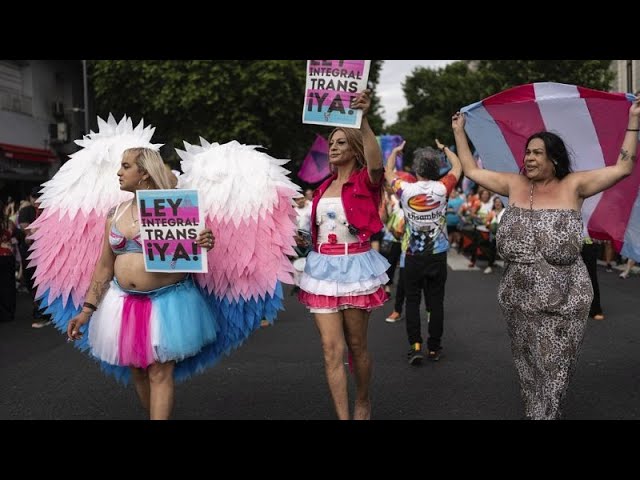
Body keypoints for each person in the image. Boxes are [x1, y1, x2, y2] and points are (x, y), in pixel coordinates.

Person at [451, 97, 640, 419]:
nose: (529, 158)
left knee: (554, 365)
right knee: (529, 365)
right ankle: (535, 411)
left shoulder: (575, 185)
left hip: (566, 298)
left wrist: (633, 119)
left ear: (554, 158)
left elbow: (623, 167)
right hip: (517, 298)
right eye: (527, 152)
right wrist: (459, 131)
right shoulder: (513, 184)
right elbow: (470, 169)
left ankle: (544, 416)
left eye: (537, 152)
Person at [66, 147, 216, 420]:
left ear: (144, 173)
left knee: (159, 371)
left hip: (168, 303)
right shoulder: (115, 213)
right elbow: (104, 266)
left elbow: (192, 248)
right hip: (123, 304)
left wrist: (204, 241)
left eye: (125, 166)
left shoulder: (176, 207)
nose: (118, 172)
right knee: (137, 369)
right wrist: (87, 310)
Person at [297, 89, 389, 420]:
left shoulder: (366, 181)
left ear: (353, 148)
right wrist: (302, 235)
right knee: (330, 350)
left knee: (357, 346)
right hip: (322, 269)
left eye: (339, 142)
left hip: (356, 268)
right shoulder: (321, 188)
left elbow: (376, 162)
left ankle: (363, 399)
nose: (332, 148)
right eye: (331, 143)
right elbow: (316, 231)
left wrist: (363, 120)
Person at [384, 138, 462, 364]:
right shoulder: (442, 187)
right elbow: (458, 168)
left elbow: (388, 171)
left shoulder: (405, 189)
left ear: (416, 169)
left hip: (412, 256)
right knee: (436, 303)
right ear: (437, 168)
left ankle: (415, 347)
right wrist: (445, 148)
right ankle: (435, 348)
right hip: (437, 256)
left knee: (412, 302)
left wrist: (396, 152)